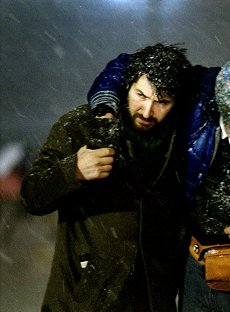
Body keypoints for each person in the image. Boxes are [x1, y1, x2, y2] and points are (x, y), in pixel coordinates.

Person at [87, 55, 230, 311]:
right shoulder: (201, 94)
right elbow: (130, 66)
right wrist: (106, 107)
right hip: (198, 263)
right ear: (219, 107)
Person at [20, 44, 192, 311]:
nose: (147, 111)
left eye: (162, 102)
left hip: (153, 297)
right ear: (127, 86)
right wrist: (73, 171)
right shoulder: (80, 125)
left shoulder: (183, 137)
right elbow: (32, 196)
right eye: (141, 95)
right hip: (86, 297)